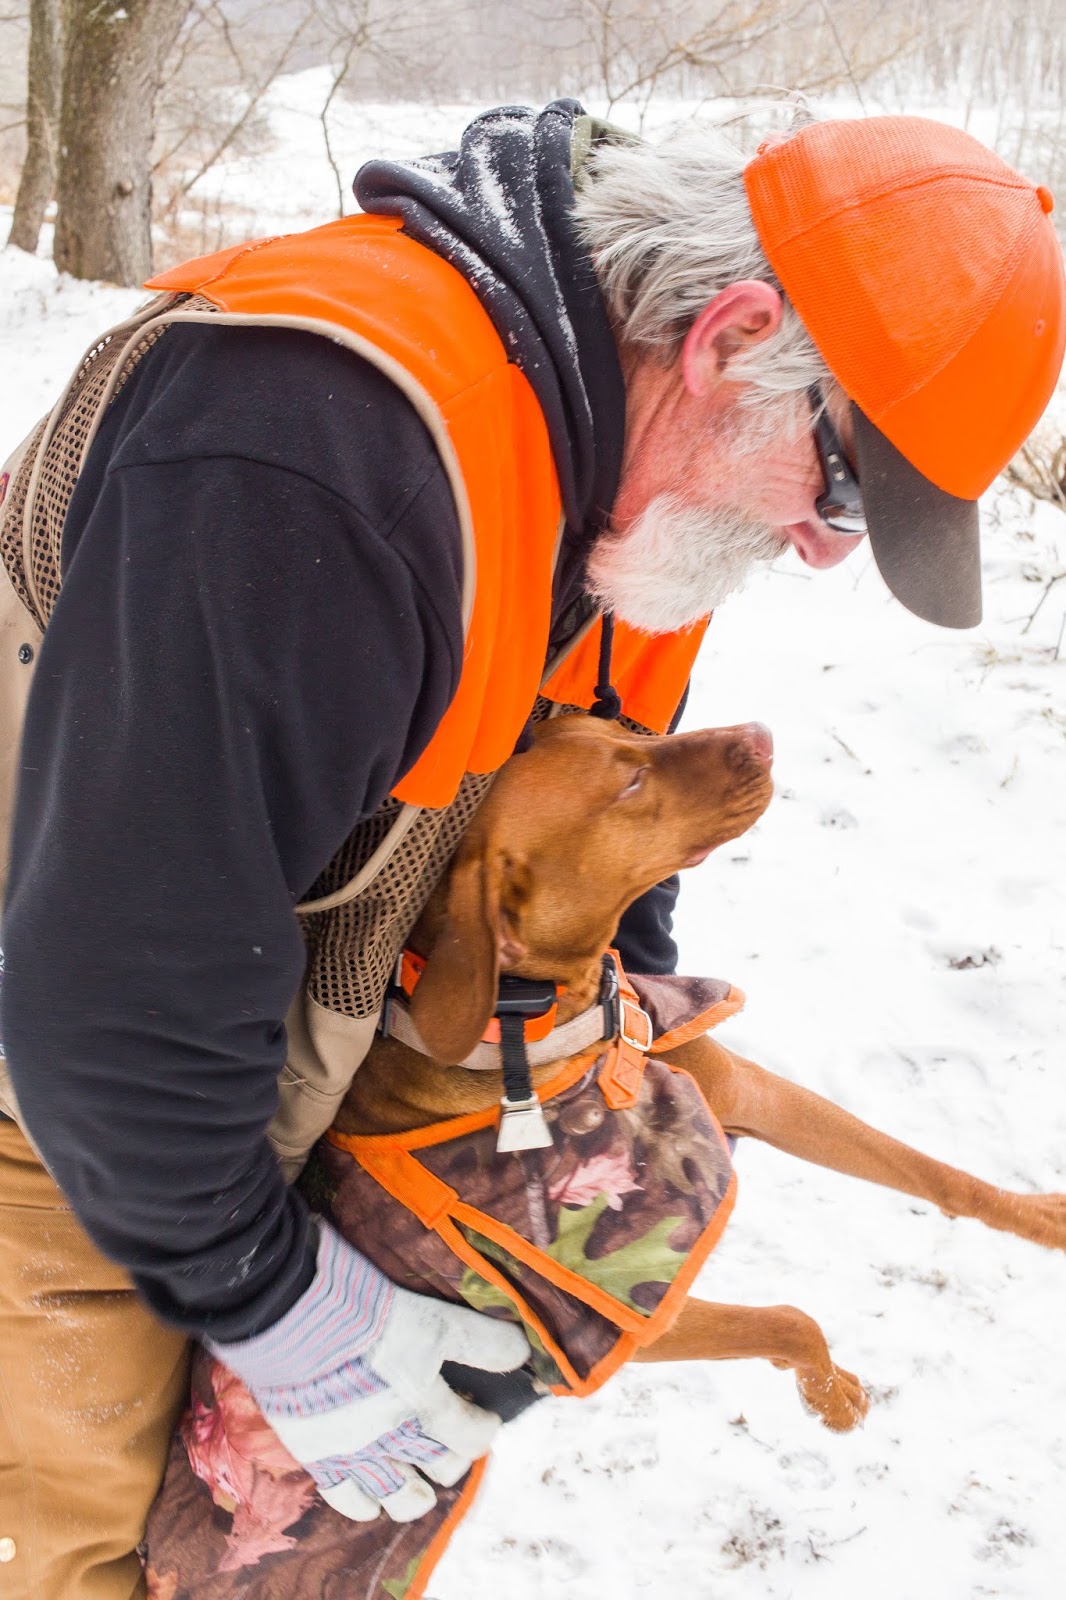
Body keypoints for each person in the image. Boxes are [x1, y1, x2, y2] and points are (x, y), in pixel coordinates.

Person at [0, 100, 1062, 1599]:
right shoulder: (312, 455)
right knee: (109, 1552)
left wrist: (599, 1039)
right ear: (732, 335)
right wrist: (276, 1304)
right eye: (842, 489)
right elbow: (116, 988)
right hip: (60, 1079)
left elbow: (597, 777)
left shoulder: (637, 482)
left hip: (238, 1047)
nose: (826, 549)